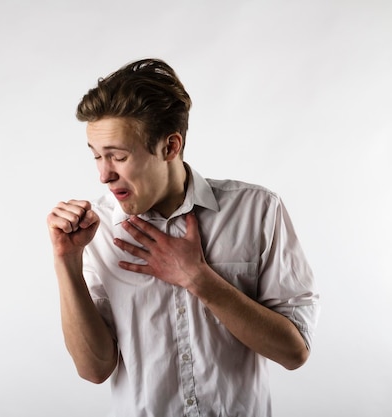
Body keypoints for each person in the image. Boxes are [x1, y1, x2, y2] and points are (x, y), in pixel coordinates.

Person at [46, 58, 320, 417]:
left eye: (118, 156)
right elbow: (93, 370)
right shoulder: (93, 232)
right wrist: (66, 261)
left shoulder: (258, 212)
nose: (103, 175)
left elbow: (294, 352)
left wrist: (198, 278)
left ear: (170, 147)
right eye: (97, 156)